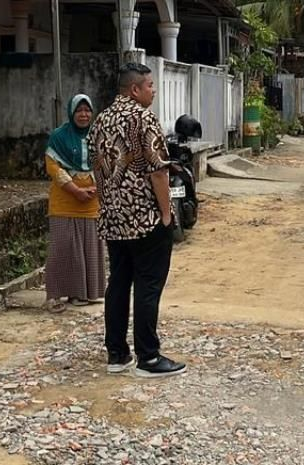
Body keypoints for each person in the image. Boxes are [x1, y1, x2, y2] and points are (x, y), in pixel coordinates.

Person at [89, 63, 186, 378]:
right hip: (144, 217)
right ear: (135, 89)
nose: (153, 91)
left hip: (114, 217)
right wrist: (166, 214)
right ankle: (149, 357)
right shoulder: (144, 118)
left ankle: (117, 354)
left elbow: (97, 167)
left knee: (118, 283)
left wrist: (109, 202)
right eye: (149, 85)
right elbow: (158, 171)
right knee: (148, 285)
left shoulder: (101, 120)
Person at [43, 94, 105, 314]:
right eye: (79, 110)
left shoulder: (98, 135)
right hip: (64, 203)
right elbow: (53, 167)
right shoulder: (58, 137)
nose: (84, 115)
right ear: (71, 113)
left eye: (87, 110)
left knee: (89, 249)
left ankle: (83, 293)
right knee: (62, 249)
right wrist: (75, 190)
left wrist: (97, 187)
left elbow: (107, 163)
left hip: (91, 203)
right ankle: (53, 295)